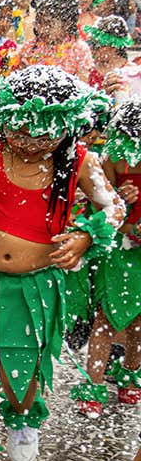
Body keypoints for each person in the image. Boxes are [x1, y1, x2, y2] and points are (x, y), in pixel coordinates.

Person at [0, 65, 121, 461]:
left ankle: (21, 418)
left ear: (66, 127)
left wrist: (86, 238)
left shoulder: (79, 162)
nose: (30, 144)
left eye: (43, 136)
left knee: (21, 368)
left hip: (33, 285)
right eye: (20, 132)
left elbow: (113, 209)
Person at [72, 100, 141, 417]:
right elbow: (102, 206)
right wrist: (120, 201)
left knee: (140, 321)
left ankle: (130, 374)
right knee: (105, 316)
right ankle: (94, 382)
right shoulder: (111, 158)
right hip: (118, 248)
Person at [17, 0, 95, 84]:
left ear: (67, 24)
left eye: (48, 24)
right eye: (38, 22)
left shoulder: (79, 50)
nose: (41, 29)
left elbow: (83, 87)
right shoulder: (29, 48)